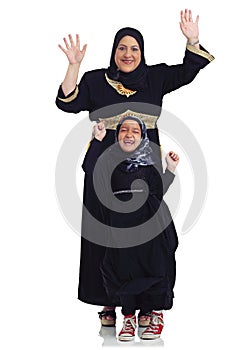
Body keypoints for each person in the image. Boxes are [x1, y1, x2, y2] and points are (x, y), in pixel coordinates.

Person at [55, 9, 214, 331]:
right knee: (104, 234)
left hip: (143, 168)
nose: (128, 55)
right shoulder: (96, 80)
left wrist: (192, 39)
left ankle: (147, 303)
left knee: (146, 236)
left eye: (134, 49)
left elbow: (187, 69)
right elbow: (67, 102)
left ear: (142, 52)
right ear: (114, 51)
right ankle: (109, 299)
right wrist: (73, 65)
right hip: (102, 167)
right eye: (122, 48)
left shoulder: (154, 78)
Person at [88, 116, 179, 340]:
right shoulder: (109, 165)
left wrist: (170, 170)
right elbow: (90, 170)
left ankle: (155, 313)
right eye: (124, 131)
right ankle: (128, 316)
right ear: (117, 135)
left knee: (154, 265)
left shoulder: (148, 166)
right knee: (122, 267)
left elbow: (157, 192)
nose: (129, 134)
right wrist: (98, 141)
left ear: (143, 137)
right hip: (121, 226)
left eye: (135, 131)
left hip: (150, 225)